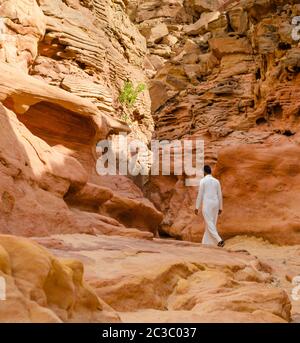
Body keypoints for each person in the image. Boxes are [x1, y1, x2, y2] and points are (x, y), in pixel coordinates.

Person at [195, 165, 225, 247]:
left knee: (209, 223)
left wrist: (197, 207)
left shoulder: (203, 181)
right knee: (212, 224)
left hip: (207, 204)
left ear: (204, 172)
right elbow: (219, 194)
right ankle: (206, 243)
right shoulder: (216, 181)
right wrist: (220, 207)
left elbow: (200, 195)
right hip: (216, 204)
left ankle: (219, 240)